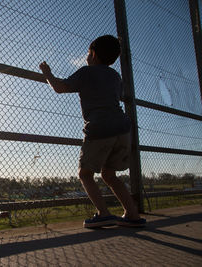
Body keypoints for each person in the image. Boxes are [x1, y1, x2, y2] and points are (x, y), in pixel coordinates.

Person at [39, 35, 146, 228]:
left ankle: (103, 213)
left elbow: (60, 87)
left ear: (93, 54)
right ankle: (132, 215)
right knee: (109, 174)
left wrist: (47, 73)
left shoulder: (87, 72)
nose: (87, 56)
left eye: (88, 52)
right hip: (123, 128)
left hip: (99, 127)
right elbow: (118, 95)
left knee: (85, 174)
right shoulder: (115, 76)